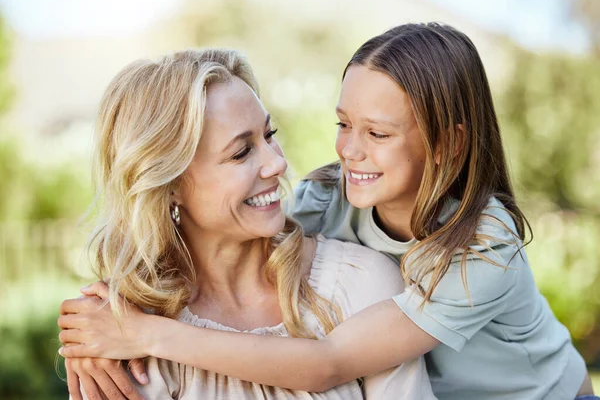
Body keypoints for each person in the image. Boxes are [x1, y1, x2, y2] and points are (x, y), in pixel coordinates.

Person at [59, 23, 597, 400]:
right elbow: (238, 228)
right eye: (343, 125)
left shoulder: (484, 244)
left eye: (378, 133)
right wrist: (91, 333)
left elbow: (329, 363)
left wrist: (145, 335)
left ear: (450, 145)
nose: (348, 151)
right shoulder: (329, 199)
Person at [57, 47, 435, 400]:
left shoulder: (358, 285)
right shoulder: (118, 333)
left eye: (269, 135)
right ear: (169, 185)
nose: (277, 163)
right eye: (241, 152)